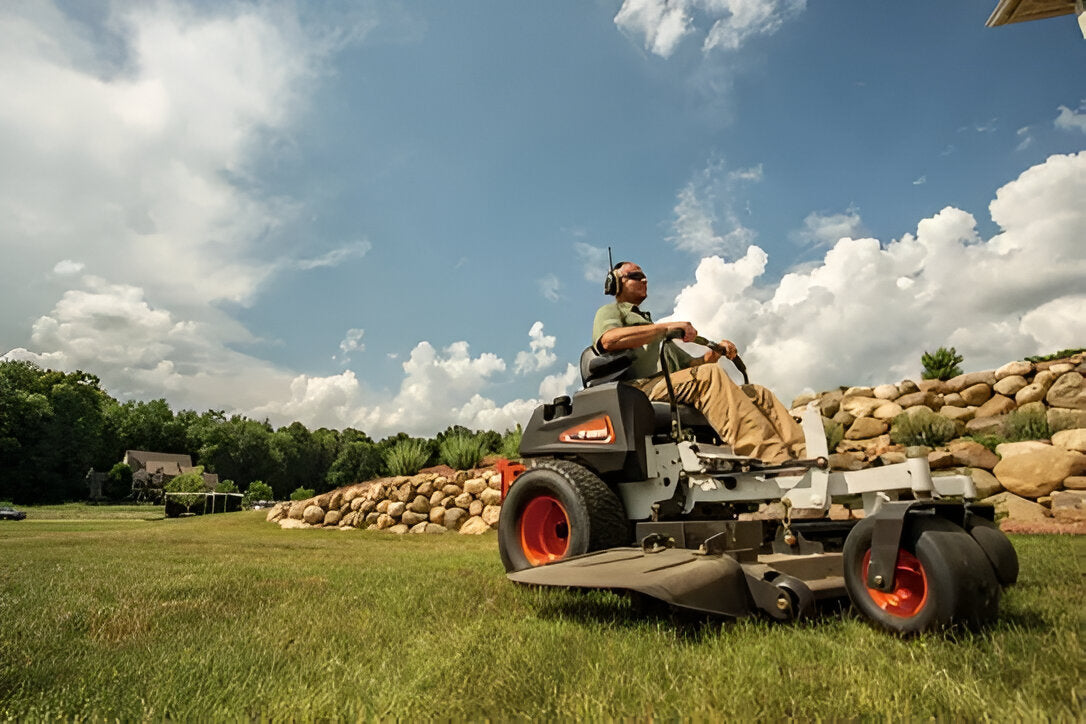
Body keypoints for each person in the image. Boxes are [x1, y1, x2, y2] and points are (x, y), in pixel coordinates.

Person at [592, 261, 805, 463]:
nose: (645, 280)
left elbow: (693, 369)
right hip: (637, 389)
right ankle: (770, 458)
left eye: (645, 276)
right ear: (616, 283)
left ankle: (803, 455)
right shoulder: (611, 312)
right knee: (709, 376)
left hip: (667, 384)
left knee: (758, 393)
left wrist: (715, 354)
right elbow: (609, 340)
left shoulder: (651, 329)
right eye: (636, 275)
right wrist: (665, 329)